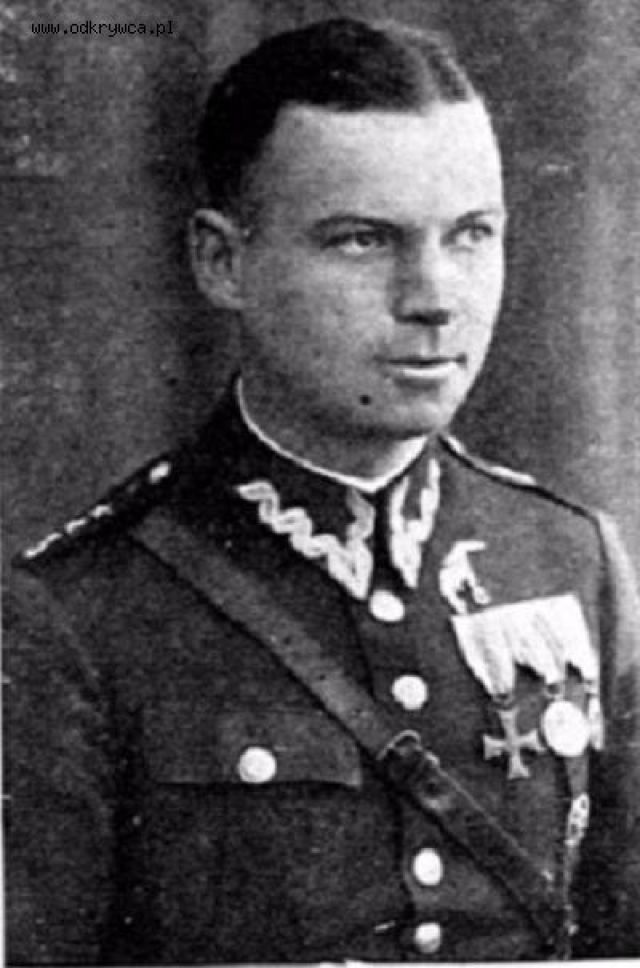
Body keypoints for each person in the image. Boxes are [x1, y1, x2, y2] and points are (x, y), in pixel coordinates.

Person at [4, 17, 640, 964]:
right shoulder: (78, 614)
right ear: (222, 262)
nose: (434, 296)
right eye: (363, 241)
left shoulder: (570, 561)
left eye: (471, 235)